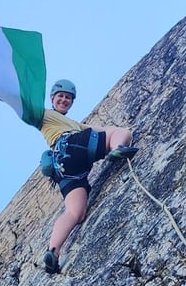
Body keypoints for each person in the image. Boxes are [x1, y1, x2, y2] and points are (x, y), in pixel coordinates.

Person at [39, 79, 137, 274]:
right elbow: (27, 106)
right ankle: (118, 149)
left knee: (76, 212)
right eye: (61, 96)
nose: (64, 100)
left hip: (63, 167)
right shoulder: (43, 115)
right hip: (72, 145)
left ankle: (53, 251)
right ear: (52, 98)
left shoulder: (75, 123)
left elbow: (97, 129)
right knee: (122, 132)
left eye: (68, 98)